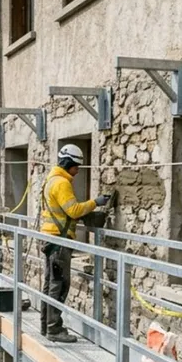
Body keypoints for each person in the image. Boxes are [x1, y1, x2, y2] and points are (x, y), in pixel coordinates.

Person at [39, 144, 110, 343]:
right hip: (59, 242)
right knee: (59, 285)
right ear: (68, 164)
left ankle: (46, 325)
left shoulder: (50, 179)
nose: (78, 171)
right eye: (76, 167)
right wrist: (96, 202)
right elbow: (74, 211)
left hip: (50, 239)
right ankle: (54, 329)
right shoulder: (61, 183)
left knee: (50, 284)